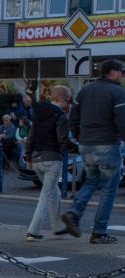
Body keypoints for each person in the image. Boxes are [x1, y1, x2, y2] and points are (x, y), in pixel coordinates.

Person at [62, 59, 125, 244]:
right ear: (112, 72)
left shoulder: (85, 91)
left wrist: (80, 137)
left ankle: (74, 213)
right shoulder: (118, 92)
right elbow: (122, 121)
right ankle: (99, 232)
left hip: (86, 144)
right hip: (107, 143)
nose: (123, 75)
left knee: (91, 181)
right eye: (122, 71)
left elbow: (72, 118)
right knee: (108, 189)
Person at [25, 85, 72, 241]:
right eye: (68, 100)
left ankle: (57, 228)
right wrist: (76, 149)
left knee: (54, 192)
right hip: (52, 158)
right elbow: (62, 140)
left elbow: (31, 137)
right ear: (62, 99)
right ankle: (33, 231)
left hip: (37, 159)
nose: (68, 103)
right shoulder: (61, 115)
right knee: (46, 195)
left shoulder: (38, 113)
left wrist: (28, 156)